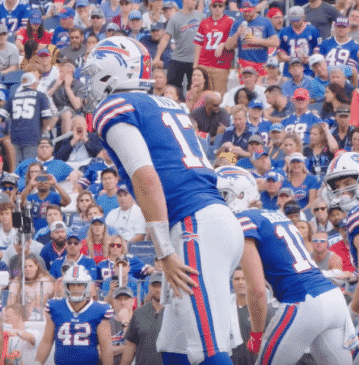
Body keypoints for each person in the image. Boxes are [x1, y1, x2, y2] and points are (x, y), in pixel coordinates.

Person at [82, 36, 244, 364]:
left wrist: (164, 251)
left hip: (194, 225)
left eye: (95, 73)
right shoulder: (166, 103)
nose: (89, 83)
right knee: (174, 345)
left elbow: (146, 177)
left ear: (115, 71)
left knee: (207, 352)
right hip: (212, 219)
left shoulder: (116, 106)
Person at [216, 165, 356, 364]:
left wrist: (256, 334)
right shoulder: (277, 217)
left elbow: (256, 289)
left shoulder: (243, 220)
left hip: (302, 301)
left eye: (222, 194)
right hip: (332, 299)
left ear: (239, 194)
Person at [34, 264, 113, 365]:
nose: (75, 288)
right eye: (72, 284)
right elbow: (46, 341)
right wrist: (37, 362)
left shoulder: (99, 309)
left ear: (86, 285)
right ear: (66, 286)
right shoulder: (55, 306)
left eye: (80, 284)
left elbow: (106, 347)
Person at [0, 72, 52, 163]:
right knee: (30, 167)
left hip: (16, 137)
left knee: (19, 167)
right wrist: (42, 129)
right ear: (34, 84)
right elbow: (47, 118)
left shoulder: (13, 97)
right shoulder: (40, 96)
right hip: (32, 136)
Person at [153, 0, 204, 94]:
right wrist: (157, 56)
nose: (195, 3)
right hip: (178, 59)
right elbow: (165, 38)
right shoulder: (175, 18)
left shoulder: (200, 16)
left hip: (195, 61)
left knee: (194, 90)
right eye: (193, 0)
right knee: (172, 88)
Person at [118, 272, 164, 365]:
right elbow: (130, 346)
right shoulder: (139, 313)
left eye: (162, 285)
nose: (159, 289)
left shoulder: (176, 312)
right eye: (155, 286)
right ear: (149, 287)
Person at [193, 0, 234, 96]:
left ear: (224, 7)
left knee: (217, 95)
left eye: (220, 5)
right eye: (214, 6)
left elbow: (234, 42)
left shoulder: (230, 22)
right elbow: (198, 44)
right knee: (200, 93)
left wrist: (223, 44)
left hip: (220, 65)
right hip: (203, 64)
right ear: (210, 7)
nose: (217, 8)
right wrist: (195, 65)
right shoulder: (204, 22)